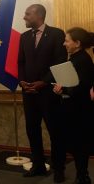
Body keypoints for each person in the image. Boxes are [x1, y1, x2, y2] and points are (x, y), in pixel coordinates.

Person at [17, 4, 68, 182]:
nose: (24, 17)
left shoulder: (56, 34)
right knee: (32, 130)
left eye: (27, 14)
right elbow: (20, 62)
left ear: (39, 15)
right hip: (29, 92)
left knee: (55, 131)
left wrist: (44, 82)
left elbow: (60, 62)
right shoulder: (24, 37)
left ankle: (59, 168)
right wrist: (22, 81)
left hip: (49, 93)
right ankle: (37, 165)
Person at [53, 27, 94, 184]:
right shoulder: (75, 58)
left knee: (80, 146)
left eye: (67, 40)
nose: (64, 44)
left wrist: (63, 88)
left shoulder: (83, 60)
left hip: (79, 111)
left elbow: (82, 86)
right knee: (75, 144)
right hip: (71, 108)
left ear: (77, 43)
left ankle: (83, 177)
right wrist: (61, 88)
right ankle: (79, 175)